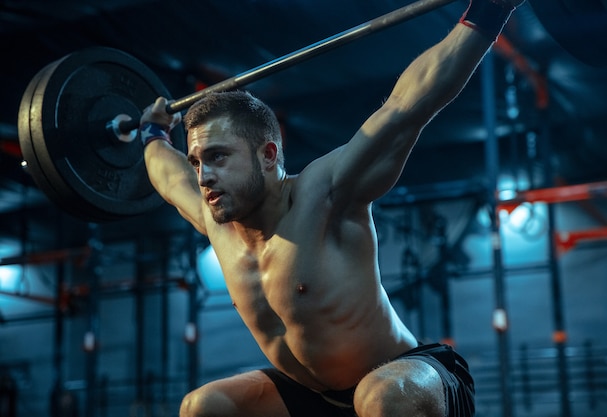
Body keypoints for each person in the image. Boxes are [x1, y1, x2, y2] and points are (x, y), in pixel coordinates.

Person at [139, 0, 524, 415]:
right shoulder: (217, 220)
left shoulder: (325, 193)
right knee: (204, 406)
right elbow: (167, 176)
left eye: (218, 157)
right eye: (197, 161)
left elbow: (406, 107)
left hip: (406, 378)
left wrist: (489, 12)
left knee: (380, 397)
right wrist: (152, 132)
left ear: (268, 155)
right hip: (314, 396)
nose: (203, 176)